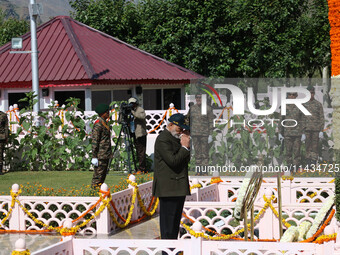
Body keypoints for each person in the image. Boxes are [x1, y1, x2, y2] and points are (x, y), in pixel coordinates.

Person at [152, 113, 190, 245]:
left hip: (178, 187)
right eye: (180, 129)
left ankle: (173, 249)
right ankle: (167, 251)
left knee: (174, 225)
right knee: (168, 227)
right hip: (168, 188)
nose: (182, 132)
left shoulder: (175, 138)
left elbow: (185, 160)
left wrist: (185, 146)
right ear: (171, 125)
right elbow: (173, 161)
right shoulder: (163, 139)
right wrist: (184, 147)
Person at [186, 94, 214, 175]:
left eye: (200, 98)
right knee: (197, 153)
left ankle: (205, 171)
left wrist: (211, 134)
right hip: (194, 134)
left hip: (205, 134)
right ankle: (198, 171)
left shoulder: (208, 109)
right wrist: (188, 129)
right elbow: (188, 119)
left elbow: (211, 122)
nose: (198, 99)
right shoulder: (192, 108)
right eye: (197, 97)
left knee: (205, 153)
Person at [278, 92, 305, 168]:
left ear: (296, 96)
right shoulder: (284, 106)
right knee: (288, 152)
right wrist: (280, 132)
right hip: (287, 133)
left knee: (297, 152)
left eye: (293, 95)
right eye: (290, 95)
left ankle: (296, 168)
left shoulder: (300, 106)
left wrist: (303, 132)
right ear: (288, 96)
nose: (291, 96)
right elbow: (281, 120)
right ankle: (289, 168)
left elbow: (303, 120)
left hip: (297, 133)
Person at [91, 104, 112, 188]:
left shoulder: (104, 122)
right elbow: (95, 141)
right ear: (103, 113)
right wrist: (94, 156)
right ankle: (94, 191)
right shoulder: (98, 124)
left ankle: (100, 191)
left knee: (103, 175)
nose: (108, 113)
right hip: (100, 154)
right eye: (107, 112)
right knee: (98, 176)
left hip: (105, 153)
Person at [303, 86, 325, 165]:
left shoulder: (318, 104)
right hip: (306, 129)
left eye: (312, 93)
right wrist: (302, 131)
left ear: (314, 93)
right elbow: (301, 118)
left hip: (316, 129)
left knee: (315, 147)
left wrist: (321, 130)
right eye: (309, 93)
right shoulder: (303, 105)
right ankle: (308, 163)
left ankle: (313, 162)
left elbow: (321, 117)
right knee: (307, 146)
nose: (311, 95)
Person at [128, 97, 148, 173]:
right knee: (135, 151)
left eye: (132, 104)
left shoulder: (140, 110)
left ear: (136, 103)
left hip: (140, 134)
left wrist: (132, 112)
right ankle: (136, 168)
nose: (131, 105)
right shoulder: (129, 111)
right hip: (132, 133)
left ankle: (142, 169)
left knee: (141, 152)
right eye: (130, 104)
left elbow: (142, 117)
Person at [0, 111, 8, 175]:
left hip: (1, 137)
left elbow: (6, 127)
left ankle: (0, 170)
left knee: (0, 154)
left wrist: (6, 137)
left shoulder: (3, 115)